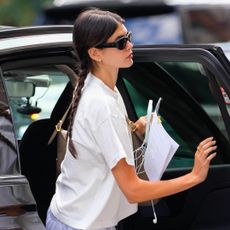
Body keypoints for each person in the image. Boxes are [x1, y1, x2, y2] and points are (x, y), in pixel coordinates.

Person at [46, 8, 217, 230]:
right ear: (95, 54)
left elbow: (96, 137)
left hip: (71, 216)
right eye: (120, 43)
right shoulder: (102, 104)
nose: (130, 46)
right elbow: (133, 190)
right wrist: (194, 176)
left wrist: (134, 128)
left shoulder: (99, 87)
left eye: (128, 38)